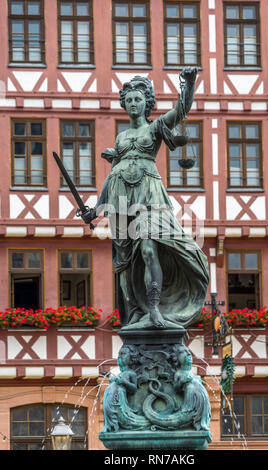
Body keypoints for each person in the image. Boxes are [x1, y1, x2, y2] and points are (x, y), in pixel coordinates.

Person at [81, 68, 209, 330]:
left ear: (147, 103)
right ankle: (135, 312)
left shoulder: (156, 127)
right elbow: (113, 173)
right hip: (120, 199)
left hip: (149, 196)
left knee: (150, 249)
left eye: (138, 99)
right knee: (125, 263)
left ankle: (154, 308)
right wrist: (96, 210)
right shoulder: (121, 137)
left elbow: (182, 110)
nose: (133, 104)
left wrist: (190, 82)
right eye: (128, 100)